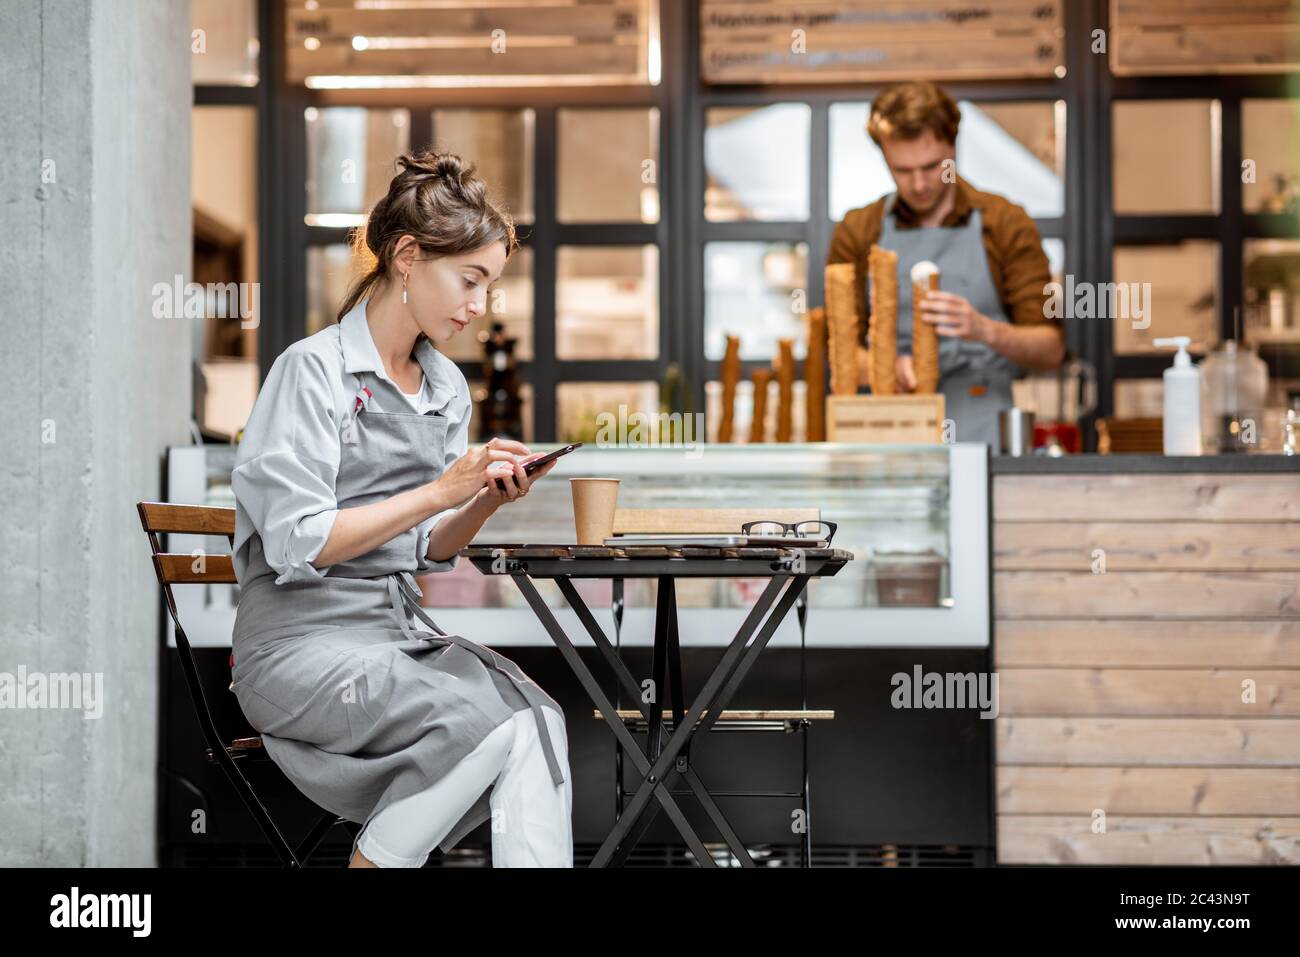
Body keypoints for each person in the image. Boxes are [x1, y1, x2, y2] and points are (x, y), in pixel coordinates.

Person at [229, 149, 571, 868]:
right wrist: (441, 488)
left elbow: (427, 549)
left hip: (394, 638)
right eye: (469, 279)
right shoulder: (311, 370)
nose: (480, 305)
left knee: (540, 717)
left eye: (490, 284)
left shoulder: (444, 387)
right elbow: (299, 542)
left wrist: (478, 501)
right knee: (490, 726)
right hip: (296, 651)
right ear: (408, 256)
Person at [828, 80, 1066, 446]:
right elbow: (838, 348)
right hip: (888, 431)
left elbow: (1050, 349)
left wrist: (985, 329)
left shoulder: (1005, 223)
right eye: (903, 171)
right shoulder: (859, 230)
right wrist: (883, 367)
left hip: (983, 428)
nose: (920, 183)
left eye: (932, 166)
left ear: (952, 145)